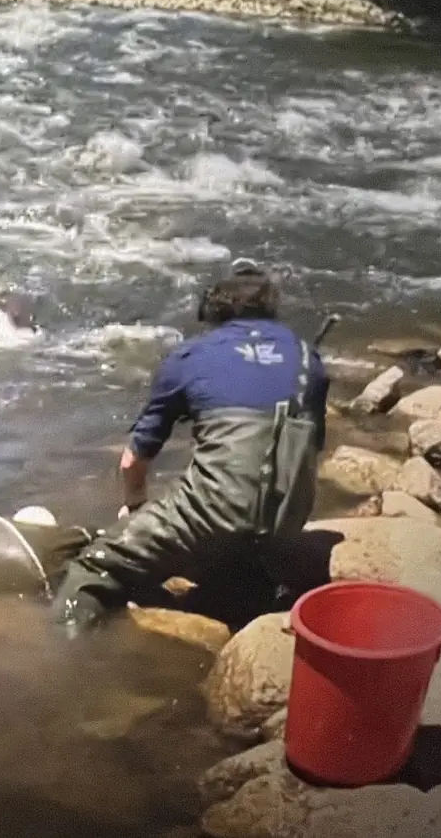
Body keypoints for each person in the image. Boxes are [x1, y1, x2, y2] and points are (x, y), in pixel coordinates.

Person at [50, 259, 331, 633]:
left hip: (214, 513)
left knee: (94, 566)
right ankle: (247, 572)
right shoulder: (306, 357)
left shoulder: (189, 356)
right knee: (229, 567)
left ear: (211, 314)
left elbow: (134, 460)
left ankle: (63, 657)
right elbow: (312, 451)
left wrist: (135, 507)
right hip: (286, 521)